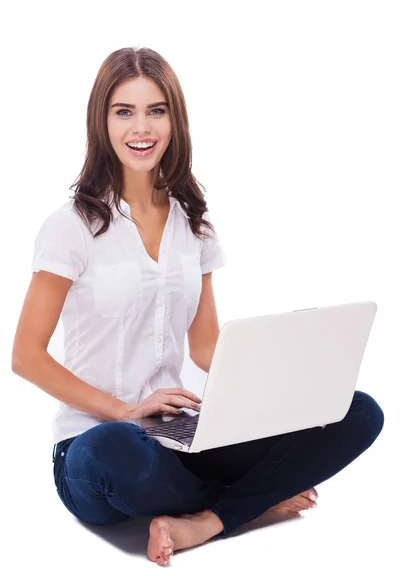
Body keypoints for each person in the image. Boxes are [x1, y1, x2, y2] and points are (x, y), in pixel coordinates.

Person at [11, 47, 384, 567]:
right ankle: (253, 504)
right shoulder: (71, 225)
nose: (141, 127)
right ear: (102, 120)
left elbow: (206, 346)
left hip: (180, 435)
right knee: (114, 452)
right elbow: (27, 356)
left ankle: (208, 520)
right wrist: (124, 409)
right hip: (97, 444)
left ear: (173, 119)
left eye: (155, 110)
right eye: (124, 111)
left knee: (356, 410)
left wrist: (286, 394)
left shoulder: (193, 222)